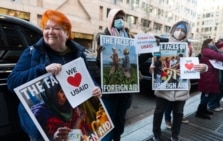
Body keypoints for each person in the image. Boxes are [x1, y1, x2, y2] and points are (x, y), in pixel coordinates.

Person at [7, 9, 102, 141]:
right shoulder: (31, 52)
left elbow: (88, 81)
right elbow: (12, 83)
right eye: (46, 28)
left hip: (73, 123)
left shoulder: (78, 54)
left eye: (56, 28)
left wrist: (96, 89)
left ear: (67, 33)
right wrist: (42, 70)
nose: (50, 32)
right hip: (43, 129)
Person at [151, 21, 208, 141]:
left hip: (181, 89)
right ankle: (156, 134)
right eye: (178, 29)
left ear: (186, 33)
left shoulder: (189, 48)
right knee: (158, 112)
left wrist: (204, 67)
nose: (180, 32)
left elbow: (193, 65)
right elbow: (155, 66)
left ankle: (175, 136)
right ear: (173, 30)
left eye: (183, 30)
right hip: (163, 88)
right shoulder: (162, 45)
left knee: (178, 114)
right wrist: (152, 69)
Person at [96, 8, 134, 141]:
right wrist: (99, 55)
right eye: (117, 18)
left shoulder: (130, 37)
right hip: (110, 91)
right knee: (108, 124)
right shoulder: (103, 37)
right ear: (111, 20)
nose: (120, 21)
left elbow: (135, 60)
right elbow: (99, 64)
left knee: (120, 123)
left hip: (125, 91)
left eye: (122, 18)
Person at [195, 38, 223, 120]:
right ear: (207, 44)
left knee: (206, 95)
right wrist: (221, 58)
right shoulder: (207, 50)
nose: (214, 43)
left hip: (209, 76)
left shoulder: (209, 51)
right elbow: (221, 57)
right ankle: (200, 112)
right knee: (206, 95)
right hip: (207, 77)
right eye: (212, 42)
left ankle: (204, 110)